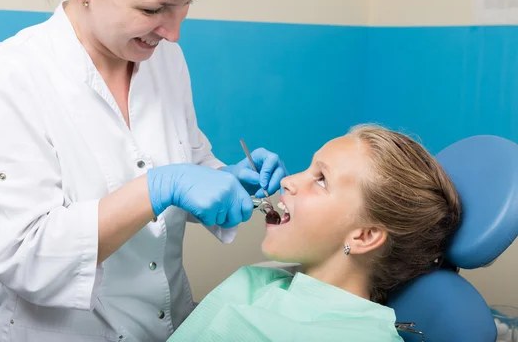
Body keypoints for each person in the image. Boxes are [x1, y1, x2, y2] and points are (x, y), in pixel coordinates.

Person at [0, 0, 287, 341]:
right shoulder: (12, 76)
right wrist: (159, 187)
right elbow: (27, 254)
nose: (173, 32)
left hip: (172, 326)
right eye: (151, 10)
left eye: (185, 5)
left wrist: (225, 178)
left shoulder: (164, 60)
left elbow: (188, 160)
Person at [168, 124, 462, 341]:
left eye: (321, 180)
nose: (288, 181)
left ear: (364, 236)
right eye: (308, 169)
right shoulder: (256, 281)